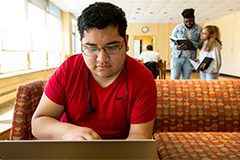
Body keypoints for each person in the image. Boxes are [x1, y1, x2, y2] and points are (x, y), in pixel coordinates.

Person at [31, 2, 157, 140]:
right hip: (71, 146)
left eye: (112, 47)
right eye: (91, 48)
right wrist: (67, 132)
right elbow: (38, 123)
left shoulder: (142, 78)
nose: (102, 59)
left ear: (126, 43)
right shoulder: (68, 70)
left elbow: (138, 137)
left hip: (121, 150)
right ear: (81, 44)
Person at [170, 8, 202, 79]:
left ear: (194, 18)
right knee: (174, 79)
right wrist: (176, 47)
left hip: (190, 59)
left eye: (190, 21)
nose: (188, 23)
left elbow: (201, 44)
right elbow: (171, 42)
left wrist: (191, 43)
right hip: (177, 58)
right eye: (186, 21)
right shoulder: (178, 28)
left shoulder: (199, 29)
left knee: (186, 80)